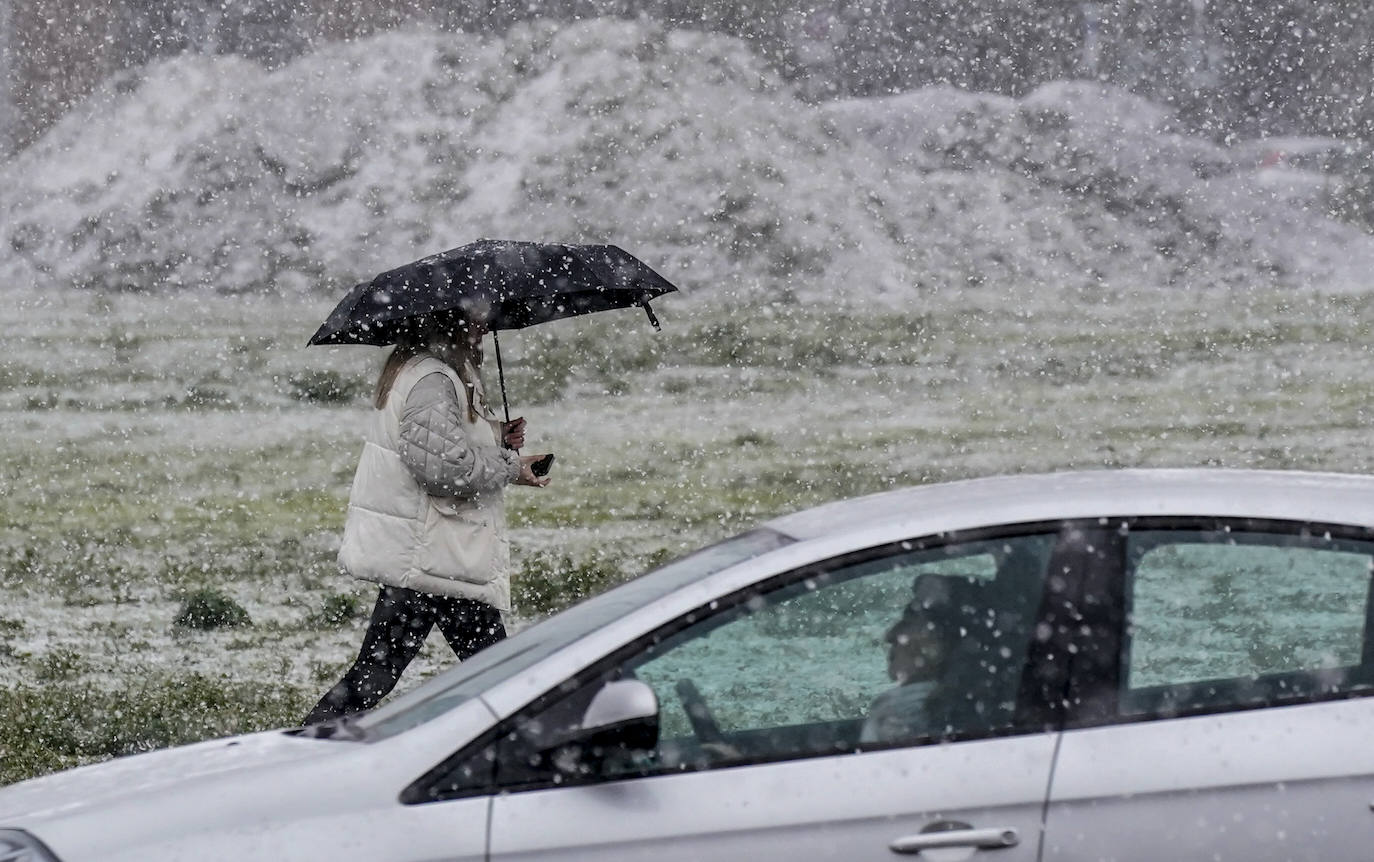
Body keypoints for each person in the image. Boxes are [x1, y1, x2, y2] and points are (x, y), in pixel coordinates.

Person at [304, 310, 550, 725]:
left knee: (377, 674)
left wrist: (493, 434)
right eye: (474, 320)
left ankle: (303, 748)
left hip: (433, 553)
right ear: (450, 324)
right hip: (437, 552)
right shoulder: (434, 381)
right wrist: (510, 466)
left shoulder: (421, 370)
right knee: (497, 676)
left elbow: (437, 445)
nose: (483, 327)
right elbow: (445, 470)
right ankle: (532, 751)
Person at [859, 574, 981, 745]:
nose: (890, 635)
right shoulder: (976, 713)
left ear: (939, 643)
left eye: (910, 621)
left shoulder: (898, 719)